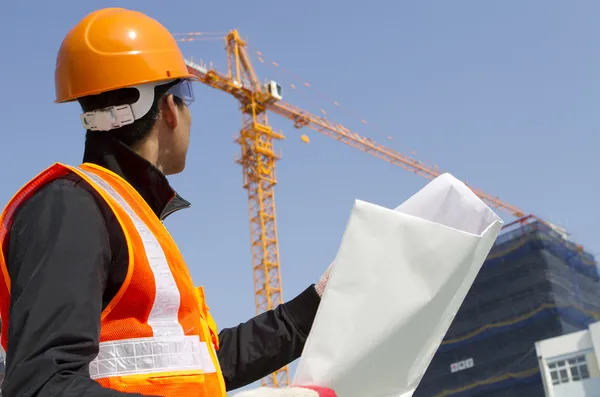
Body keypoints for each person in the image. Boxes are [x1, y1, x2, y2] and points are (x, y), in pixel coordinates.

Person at [0, 7, 336, 397]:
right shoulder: (70, 209)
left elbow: (202, 364)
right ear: (168, 109)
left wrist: (315, 305)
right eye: (186, 96)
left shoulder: (121, 214)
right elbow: (41, 385)